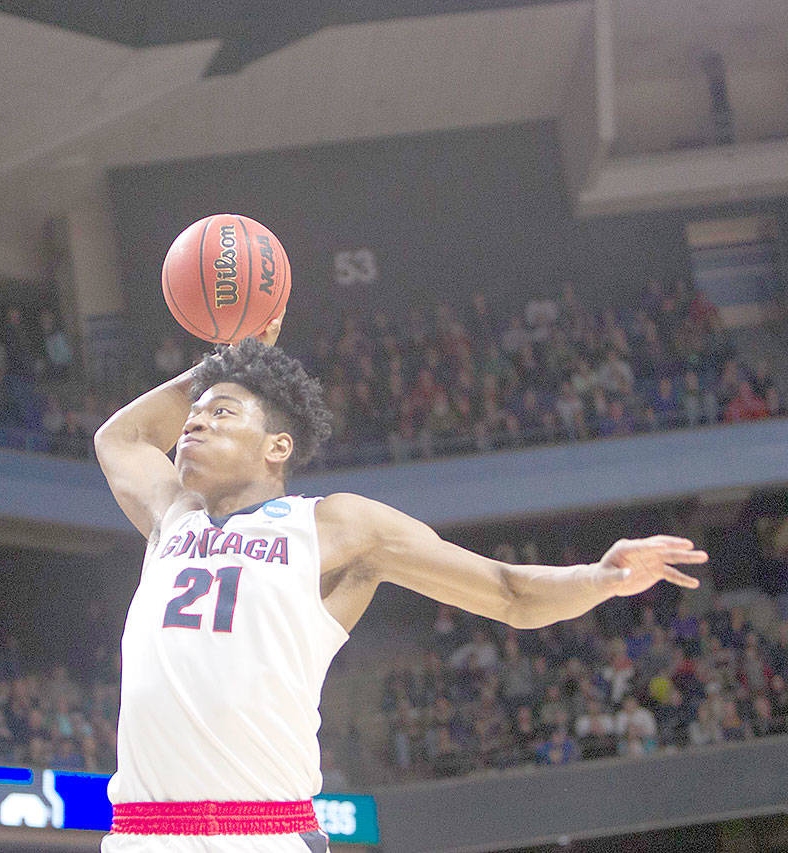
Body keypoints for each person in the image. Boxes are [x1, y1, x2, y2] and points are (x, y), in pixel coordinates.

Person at [92, 316, 706, 852]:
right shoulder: (172, 515)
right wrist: (218, 367)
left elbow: (506, 590)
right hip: (141, 834)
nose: (193, 423)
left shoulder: (332, 524)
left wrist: (601, 577)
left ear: (278, 446)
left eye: (220, 412)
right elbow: (120, 438)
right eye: (193, 415)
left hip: (260, 832)